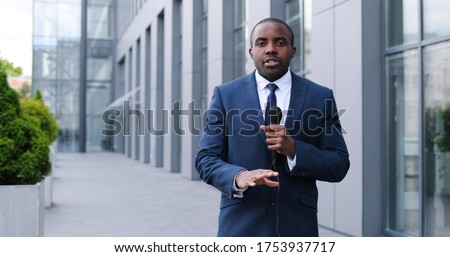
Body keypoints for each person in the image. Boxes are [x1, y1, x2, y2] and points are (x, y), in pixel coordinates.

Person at [195, 17, 350, 237]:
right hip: (240, 227)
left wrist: (295, 150)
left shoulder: (319, 96)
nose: (270, 49)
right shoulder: (225, 95)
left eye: (279, 42)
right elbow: (205, 158)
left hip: (297, 229)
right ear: (251, 51)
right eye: (261, 43)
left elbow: (338, 164)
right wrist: (238, 176)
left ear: (293, 50)